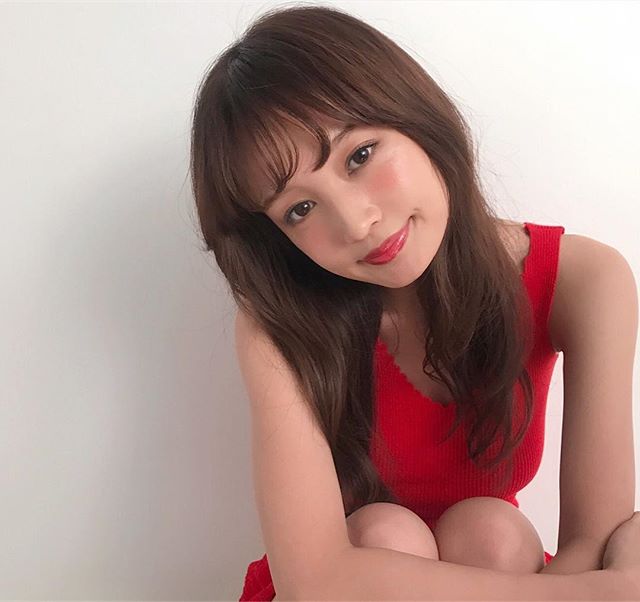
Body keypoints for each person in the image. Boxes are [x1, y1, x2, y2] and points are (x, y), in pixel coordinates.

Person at [189, 4, 640, 600]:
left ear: (416, 116)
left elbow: (595, 545)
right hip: (345, 591)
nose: (356, 223)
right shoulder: (281, 325)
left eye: (359, 156)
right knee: (385, 533)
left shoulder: (584, 279)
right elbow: (317, 580)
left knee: (493, 531)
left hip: (501, 573)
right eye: (300, 209)